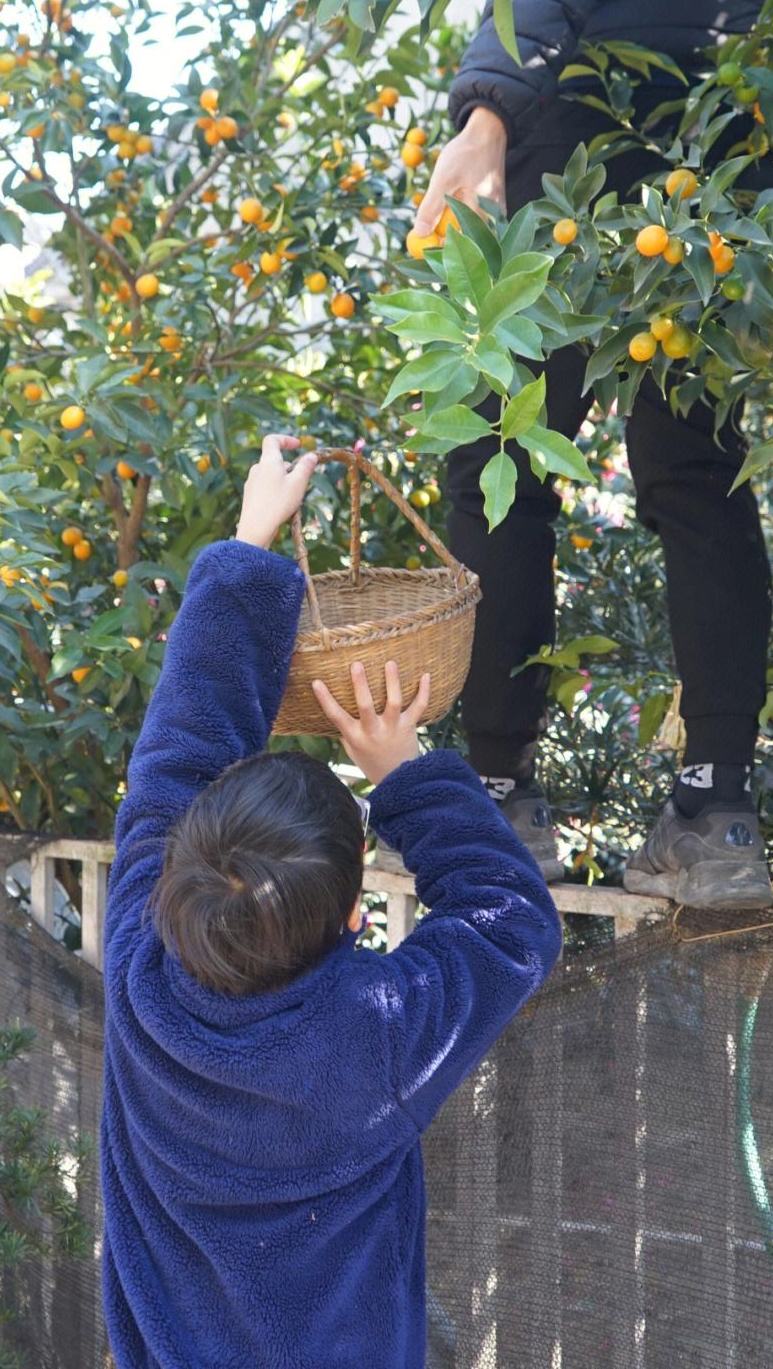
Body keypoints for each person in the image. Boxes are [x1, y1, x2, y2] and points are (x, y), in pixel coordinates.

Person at [100, 434, 562, 1368]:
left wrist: (249, 546)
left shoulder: (141, 965)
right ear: (356, 916)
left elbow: (175, 752)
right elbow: (516, 922)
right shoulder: (370, 1034)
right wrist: (405, 771)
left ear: (178, 860)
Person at [411, 0, 773, 909]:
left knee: (500, 461)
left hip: (582, 112)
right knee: (703, 474)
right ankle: (717, 810)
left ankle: (497, 793)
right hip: (717, 131)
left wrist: (488, 103)